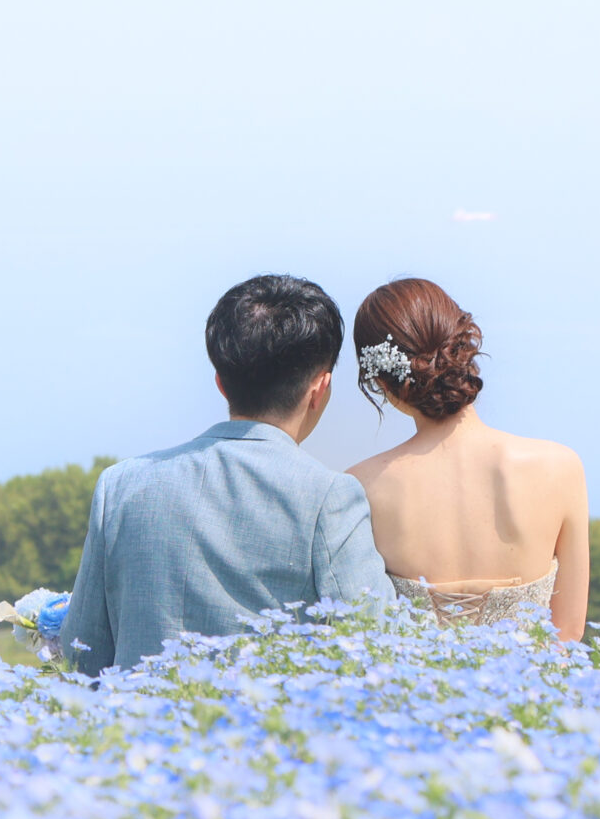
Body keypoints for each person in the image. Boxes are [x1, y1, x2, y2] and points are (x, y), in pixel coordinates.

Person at [58, 274, 390, 674]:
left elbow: (84, 651)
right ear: (320, 389)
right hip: (270, 734)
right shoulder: (329, 495)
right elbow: (379, 642)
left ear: (220, 382)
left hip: (137, 732)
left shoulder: (121, 485)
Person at [345, 278, 589, 639]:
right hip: (533, 694)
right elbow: (568, 632)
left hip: (412, 695)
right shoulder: (560, 468)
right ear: (465, 350)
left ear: (381, 380)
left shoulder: (359, 487)